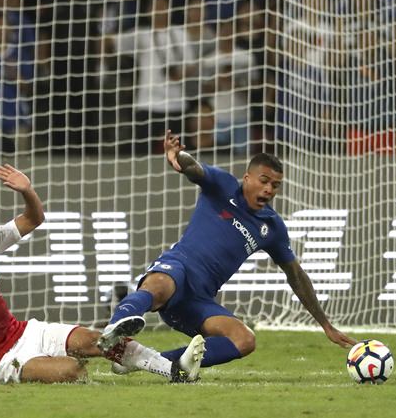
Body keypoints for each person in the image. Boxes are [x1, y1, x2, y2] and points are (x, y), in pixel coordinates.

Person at [0, 164, 206, 384]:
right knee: (72, 371)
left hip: (24, 331)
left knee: (98, 340)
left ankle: (176, 371)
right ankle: (104, 361)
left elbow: (33, 218)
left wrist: (26, 190)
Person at [98, 130, 357, 381]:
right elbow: (194, 168)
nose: (269, 189)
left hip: (199, 300)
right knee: (160, 286)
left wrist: (326, 325)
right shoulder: (222, 186)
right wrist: (178, 158)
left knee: (245, 340)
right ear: (247, 177)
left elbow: (296, 276)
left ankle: (146, 360)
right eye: (264, 180)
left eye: (275, 185)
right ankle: (115, 328)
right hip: (178, 269)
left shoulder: (272, 227)